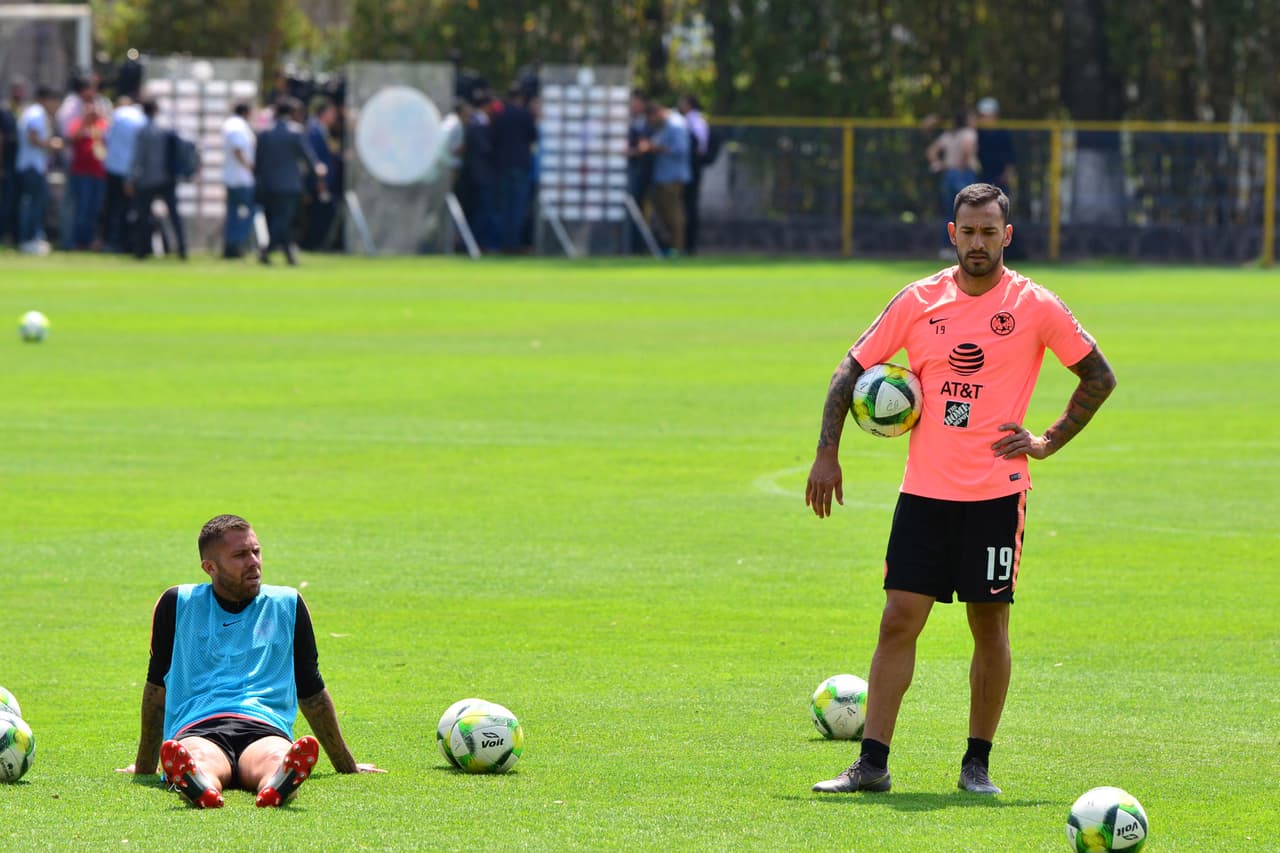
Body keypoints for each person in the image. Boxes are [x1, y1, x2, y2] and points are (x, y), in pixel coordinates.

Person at [805, 182, 1117, 796]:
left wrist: (1048, 440)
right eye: (967, 231)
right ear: (953, 234)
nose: (978, 242)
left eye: (989, 231)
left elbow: (1098, 376)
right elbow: (852, 367)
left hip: (997, 495)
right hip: (924, 493)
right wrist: (826, 452)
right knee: (898, 620)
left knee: (989, 624)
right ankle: (871, 765)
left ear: (1008, 234)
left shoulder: (1036, 305)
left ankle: (977, 764)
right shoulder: (918, 300)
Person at [117, 514, 384, 808]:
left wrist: (347, 764)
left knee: (274, 757)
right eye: (240, 555)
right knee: (199, 756)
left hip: (264, 725)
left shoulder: (287, 604)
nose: (253, 561)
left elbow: (311, 690)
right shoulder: (178, 603)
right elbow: (157, 689)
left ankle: (277, 782)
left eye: (256, 551)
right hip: (198, 725)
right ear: (210, 567)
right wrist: (144, 766)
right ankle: (199, 783)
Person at [254, 96, 322, 265]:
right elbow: (307, 157)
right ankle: (266, 250)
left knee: (278, 219)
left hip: (268, 184)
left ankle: (289, 256)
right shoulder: (295, 131)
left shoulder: (264, 133)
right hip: (289, 184)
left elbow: (258, 161)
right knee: (283, 220)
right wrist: (317, 170)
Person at [126, 98, 186, 260]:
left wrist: (130, 179)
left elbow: (138, 158)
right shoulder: (167, 128)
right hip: (168, 178)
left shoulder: (143, 130)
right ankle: (182, 249)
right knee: (174, 216)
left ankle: (142, 250)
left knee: (144, 216)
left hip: (147, 180)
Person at [15, 85, 63, 255]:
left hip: (31, 165)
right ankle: (29, 239)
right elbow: (32, 137)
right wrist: (51, 145)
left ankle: (29, 238)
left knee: (33, 203)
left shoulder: (31, 111)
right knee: (34, 204)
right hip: (32, 166)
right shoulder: (37, 113)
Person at [491, 83, 537, 252]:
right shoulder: (525, 115)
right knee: (518, 206)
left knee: (504, 206)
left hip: (502, 166)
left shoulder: (499, 115)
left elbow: (494, 140)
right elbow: (533, 136)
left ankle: (503, 242)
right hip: (521, 165)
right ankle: (514, 243)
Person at [640, 100, 690, 255]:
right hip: (663, 177)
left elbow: (680, 149)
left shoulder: (676, 125)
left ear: (658, 113)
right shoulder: (665, 126)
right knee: (663, 213)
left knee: (673, 214)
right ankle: (670, 246)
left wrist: (655, 148)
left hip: (672, 177)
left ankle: (677, 249)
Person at [926, 111, 978, 253]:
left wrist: (939, 164)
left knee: (950, 212)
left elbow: (931, 151)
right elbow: (967, 150)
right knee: (969, 211)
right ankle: (967, 247)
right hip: (964, 173)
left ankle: (947, 248)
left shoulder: (948, 135)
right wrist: (962, 166)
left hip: (949, 174)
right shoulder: (969, 133)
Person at [102, 94, 146, 253]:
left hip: (113, 168)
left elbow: (106, 138)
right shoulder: (139, 117)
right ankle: (126, 242)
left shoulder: (116, 116)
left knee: (112, 208)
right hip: (131, 170)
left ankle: (110, 242)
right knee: (129, 209)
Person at [64, 95, 108, 250]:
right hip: (82, 173)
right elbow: (72, 138)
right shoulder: (78, 124)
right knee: (82, 209)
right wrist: (84, 122)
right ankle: (78, 241)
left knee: (94, 209)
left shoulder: (102, 125)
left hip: (98, 173)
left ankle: (89, 240)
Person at [302, 97, 339, 251]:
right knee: (318, 214)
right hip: (319, 181)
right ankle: (312, 244)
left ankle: (316, 243)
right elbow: (315, 157)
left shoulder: (321, 129)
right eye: (332, 112)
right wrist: (320, 182)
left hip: (324, 180)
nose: (334, 116)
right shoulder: (314, 130)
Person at [221, 102, 256, 259]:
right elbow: (237, 149)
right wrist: (249, 166)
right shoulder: (237, 125)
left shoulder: (231, 124)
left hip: (232, 177)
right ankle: (236, 243)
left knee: (233, 213)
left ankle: (230, 244)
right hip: (241, 178)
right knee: (251, 210)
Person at [677, 94, 709, 255]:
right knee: (688, 206)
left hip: (692, 168)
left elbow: (698, 147)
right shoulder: (695, 120)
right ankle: (687, 245)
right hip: (692, 167)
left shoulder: (693, 121)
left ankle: (689, 246)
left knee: (689, 207)